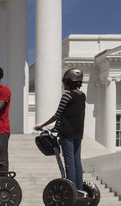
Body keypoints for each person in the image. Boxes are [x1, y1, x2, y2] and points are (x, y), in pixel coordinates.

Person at [35, 68, 86, 197]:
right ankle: (79, 189)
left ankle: (73, 190)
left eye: (64, 81)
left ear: (69, 81)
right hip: (78, 133)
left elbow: (58, 115)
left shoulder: (67, 95)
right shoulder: (82, 96)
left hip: (67, 133)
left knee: (69, 162)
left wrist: (42, 125)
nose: (63, 84)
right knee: (77, 162)